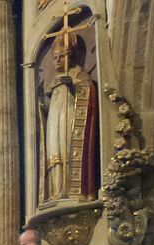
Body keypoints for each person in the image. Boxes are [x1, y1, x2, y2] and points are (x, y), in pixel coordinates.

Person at [39, 31, 99, 202]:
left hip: (69, 115)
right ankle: (56, 191)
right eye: (55, 57)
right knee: (54, 152)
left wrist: (73, 86)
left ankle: (69, 189)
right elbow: (49, 108)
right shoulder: (53, 82)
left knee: (67, 149)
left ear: (71, 56)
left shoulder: (79, 75)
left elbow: (88, 92)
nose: (58, 60)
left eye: (62, 56)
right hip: (54, 121)